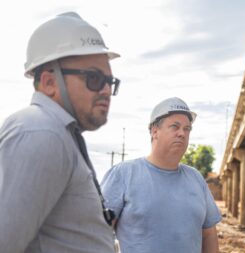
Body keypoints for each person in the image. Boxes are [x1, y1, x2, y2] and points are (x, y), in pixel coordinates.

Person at [0, 12, 120, 253]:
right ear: (49, 83)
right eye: (94, 78)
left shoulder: (60, 134)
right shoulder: (41, 133)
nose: (106, 90)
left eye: (110, 81)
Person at [101, 97, 222, 253]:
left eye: (187, 129)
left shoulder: (196, 179)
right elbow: (98, 233)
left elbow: (208, 235)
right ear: (154, 131)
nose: (182, 134)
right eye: (175, 126)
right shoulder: (123, 174)